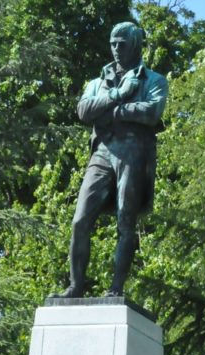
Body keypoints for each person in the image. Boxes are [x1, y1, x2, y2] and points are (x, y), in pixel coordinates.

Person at [54, 22, 168, 299]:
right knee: (80, 220)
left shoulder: (153, 80)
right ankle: (75, 285)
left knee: (125, 220)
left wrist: (110, 112)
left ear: (136, 45)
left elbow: (151, 113)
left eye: (122, 43)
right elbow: (83, 111)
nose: (116, 49)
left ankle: (116, 288)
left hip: (134, 152)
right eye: (113, 43)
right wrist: (118, 95)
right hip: (102, 152)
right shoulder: (97, 82)